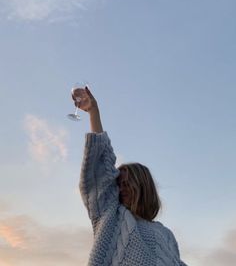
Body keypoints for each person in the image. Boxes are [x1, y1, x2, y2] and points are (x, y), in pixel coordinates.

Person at [72, 86, 188, 265]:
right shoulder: (110, 215)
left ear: (144, 187)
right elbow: (101, 169)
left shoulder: (166, 235)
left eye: (128, 183)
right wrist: (93, 112)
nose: (122, 188)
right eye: (119, 183)